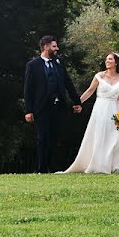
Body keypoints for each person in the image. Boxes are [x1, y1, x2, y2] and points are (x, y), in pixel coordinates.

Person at [62, 52, 119, 174]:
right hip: (100, 109)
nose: (107, 61)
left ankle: (107, 165)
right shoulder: (99, 76)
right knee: (98, 135)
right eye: (106, 59)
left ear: (116, 62)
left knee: (112, 137)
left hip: (113, 110)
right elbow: (90, 91)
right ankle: (94, 164)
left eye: (110, 59)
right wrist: (78, 102)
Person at [24, 35, 82, 173]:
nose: (57, 49)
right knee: (43, 137)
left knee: (55, 137)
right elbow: (28, 89)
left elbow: (68, 82)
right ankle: (41, 169)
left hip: (58, 106)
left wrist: (76, 102)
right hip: (41, 108)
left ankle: (53, 168)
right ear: (46, 47)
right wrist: (28, 110)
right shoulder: (33, 65)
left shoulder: (59, 62)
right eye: (54, 46)